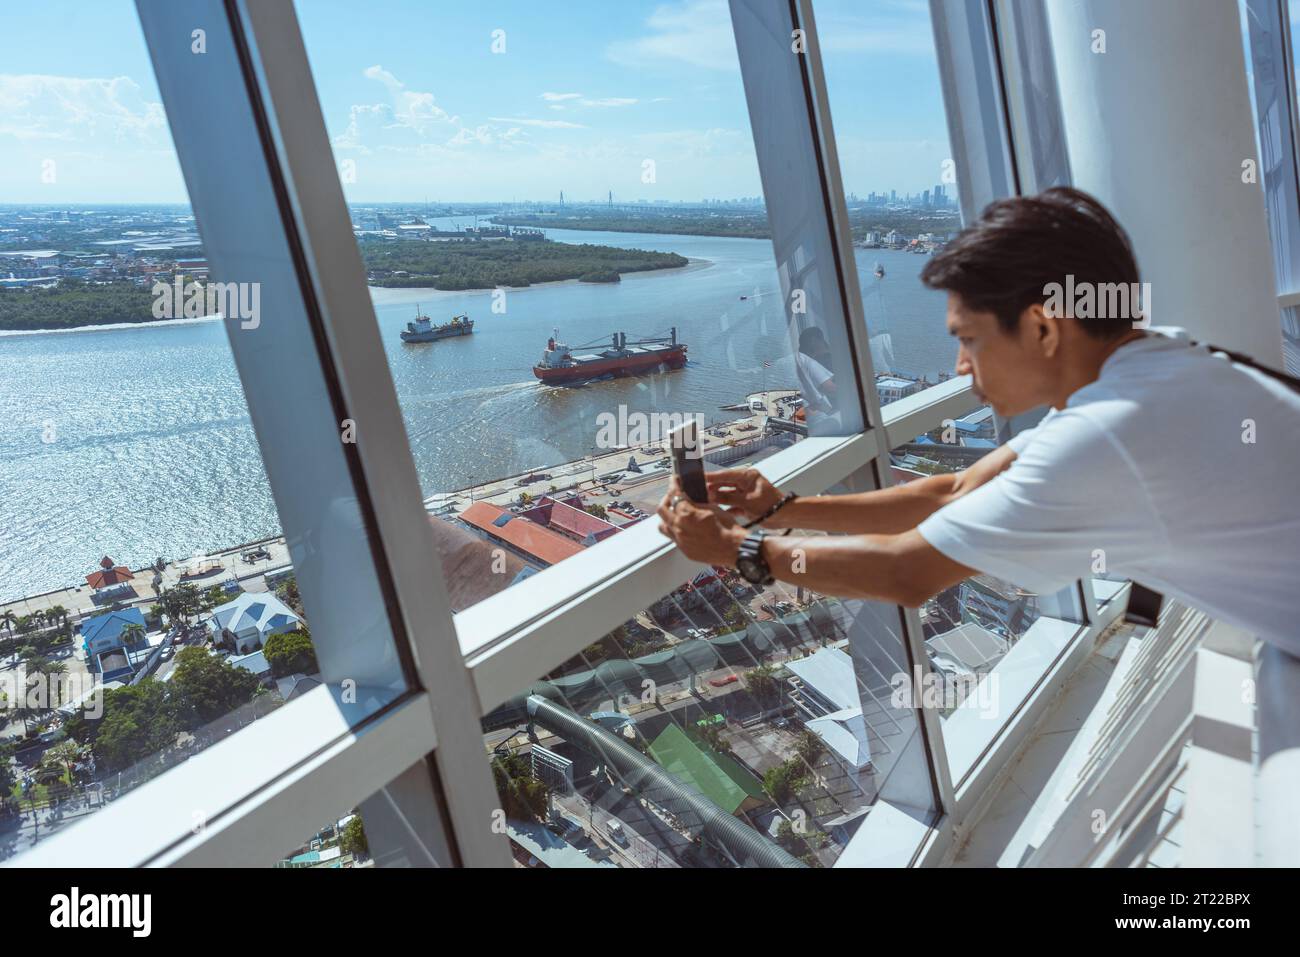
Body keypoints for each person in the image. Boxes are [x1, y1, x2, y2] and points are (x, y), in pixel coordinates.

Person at [657, 187, 1300, 659]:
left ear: (1045, 327)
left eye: (969, 340)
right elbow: (954, 491)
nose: (961, 366)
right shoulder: (1155, 363)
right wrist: (781, 505)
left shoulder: (1105, 437)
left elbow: (907, 573)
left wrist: (735, 551)